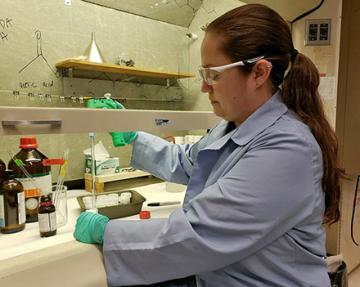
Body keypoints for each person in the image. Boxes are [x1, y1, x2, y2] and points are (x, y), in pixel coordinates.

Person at [74, 4, 342, 287]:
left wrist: (108, 232)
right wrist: (133, 136)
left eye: (213, 74)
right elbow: (188, 162)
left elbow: (199, 235)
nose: (204, 87)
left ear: (259, 73)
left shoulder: (288, 148)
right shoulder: (234, 124)